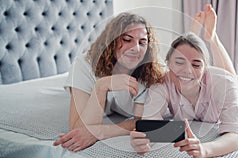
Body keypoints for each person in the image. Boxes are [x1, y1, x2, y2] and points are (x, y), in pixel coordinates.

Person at [130, 5, 238, 158]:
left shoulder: (222, 84)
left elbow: (235, 136)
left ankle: (212, 37)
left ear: (205, 68)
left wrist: (204, 150)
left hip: (221, 80)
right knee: (188, 50)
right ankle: (192, 35)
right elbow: (151, 125)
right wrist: (144, 142)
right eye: (178, 62)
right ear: (168, 64)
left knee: (231, 78)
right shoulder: (160, 83)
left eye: (196, 64)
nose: (188, 70)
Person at [53, 12, 165, 152]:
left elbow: (142, 122)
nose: (136, 48)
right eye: (127, 39)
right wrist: (101, 87)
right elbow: (79, 130)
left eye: (142, 42)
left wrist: (100, 132)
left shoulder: (151, 70)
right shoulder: (85, 65)